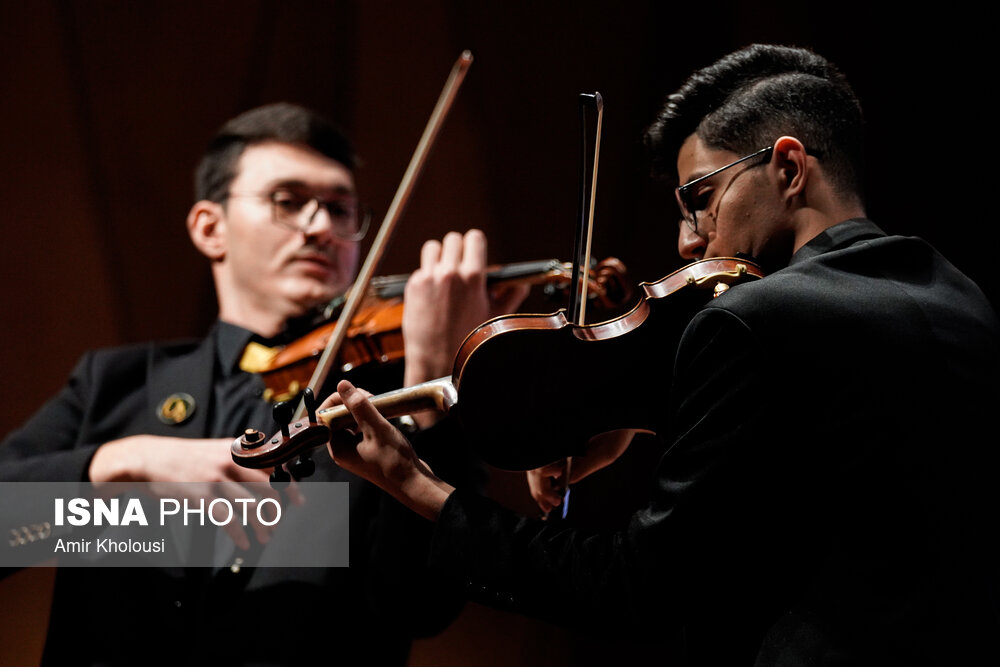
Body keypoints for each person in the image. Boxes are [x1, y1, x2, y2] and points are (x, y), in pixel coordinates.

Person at [321, 45, 1000, 665]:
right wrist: (645, 413)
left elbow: (633, 589)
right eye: (286, 203)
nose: (687, 241)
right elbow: (828, 458)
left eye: (699, 200)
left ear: (789, 167)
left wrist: (417, 483)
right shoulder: (955, 293)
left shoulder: (748, 320)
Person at [0, 102, 527, 665]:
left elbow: (417, 606)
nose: (322, 227)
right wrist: (119, 463)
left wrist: (430, 389)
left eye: (341, 210)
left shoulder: (382, 405)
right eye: (289, 201)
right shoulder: (117, 386)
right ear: (211, 228)